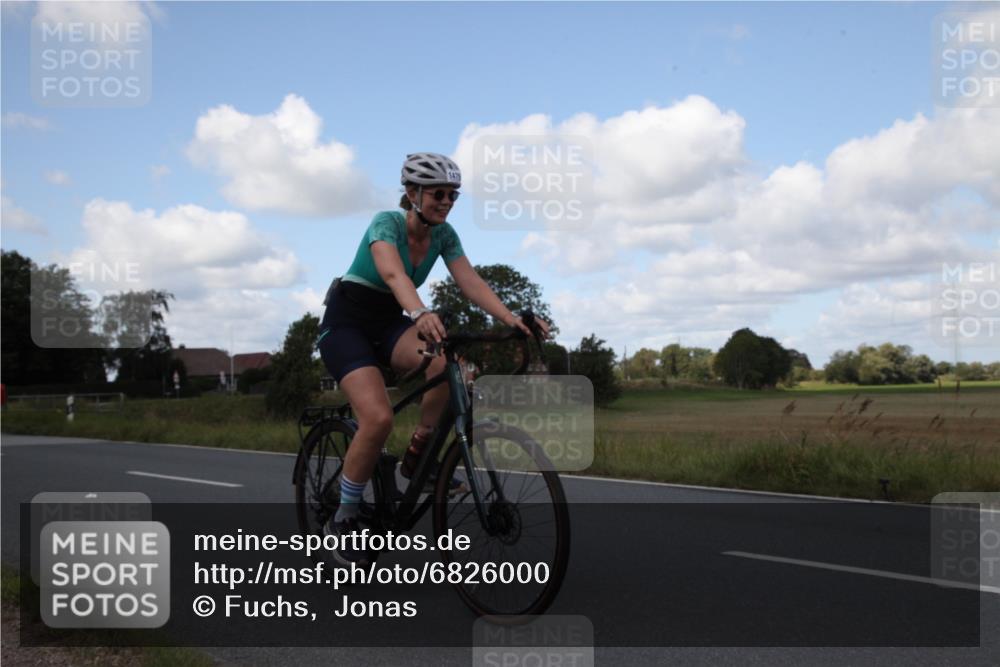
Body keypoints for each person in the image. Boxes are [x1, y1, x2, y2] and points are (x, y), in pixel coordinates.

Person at [317, 152, 550, 565]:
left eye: (453, 195)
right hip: (348, 321)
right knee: (378, 417)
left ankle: (418, 461)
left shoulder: (444, 236)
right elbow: (393, 274)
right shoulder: (385, 223)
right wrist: (420, 312)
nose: (446, 201)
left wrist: (512, 319)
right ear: (412, 193)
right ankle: (343, 517)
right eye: (438, 193)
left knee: (447, 368)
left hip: (390, 322)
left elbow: (470, 281)